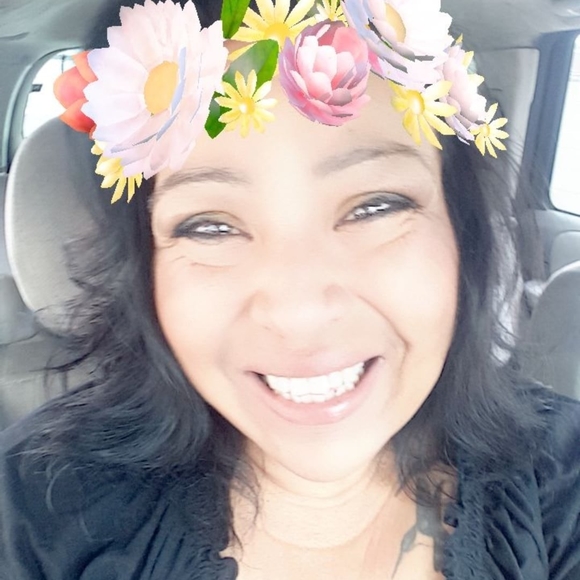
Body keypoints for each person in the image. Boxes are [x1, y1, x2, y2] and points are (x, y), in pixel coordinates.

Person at [1, 0, 579, 578]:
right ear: (144, 267)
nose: (300, 315)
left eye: (376, 206)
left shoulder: (563, 483)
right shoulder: (34, 507)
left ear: (463, 232)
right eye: (209, 227)